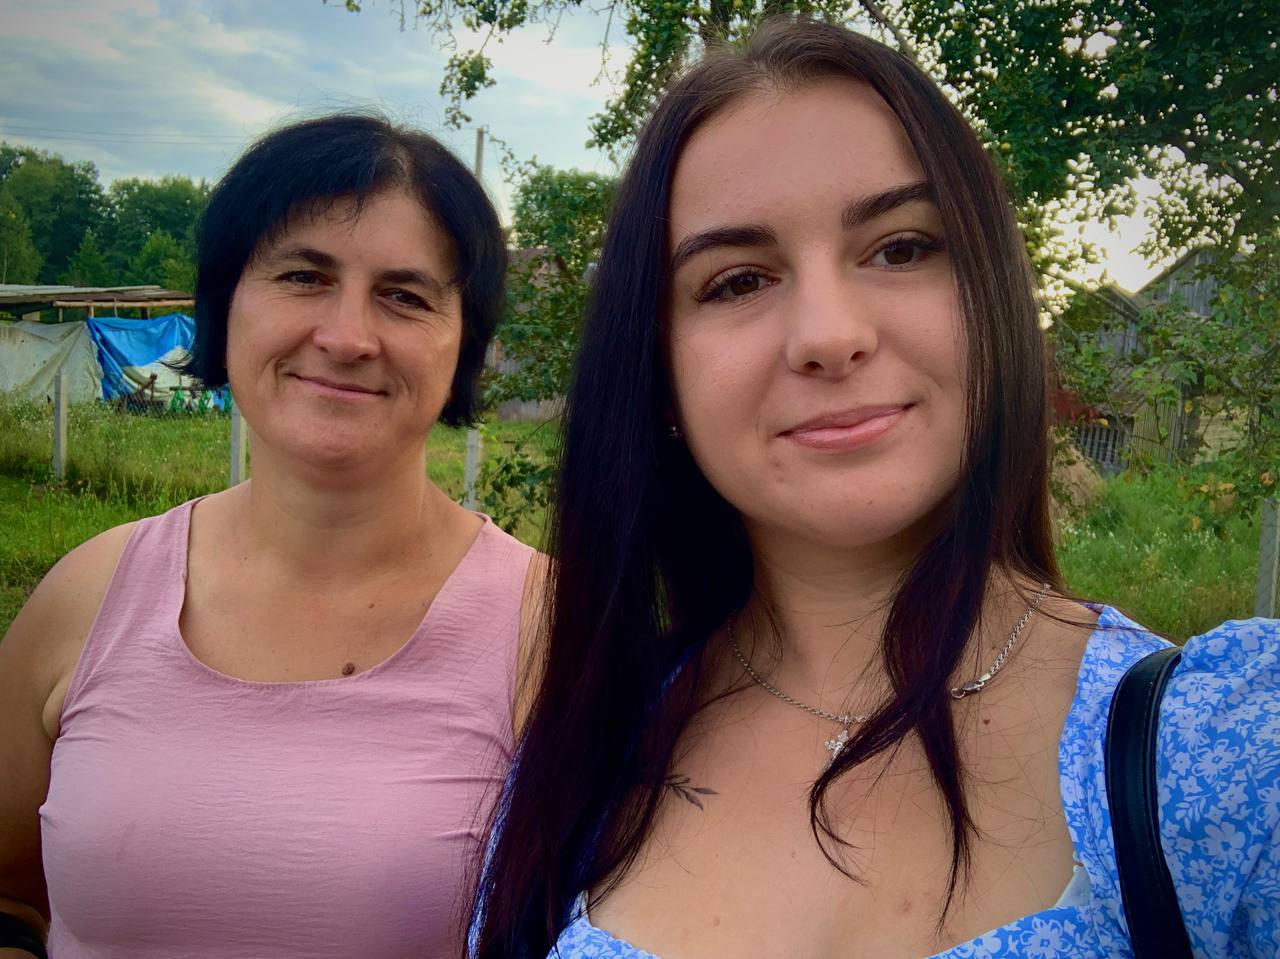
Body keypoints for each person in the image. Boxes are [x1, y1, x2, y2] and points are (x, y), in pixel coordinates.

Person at [469, 17, 1280, 959]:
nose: (829, 333)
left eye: (900, 248)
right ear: (660, 372)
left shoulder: (1223, 752)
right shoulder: (586, 756)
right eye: (737, 281)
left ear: (992, 296)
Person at [0, 114, 541, 959]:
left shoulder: (553, 629)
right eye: (303, 276)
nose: (347, 336)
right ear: (224, 306)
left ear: (465, 341)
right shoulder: (87, 595)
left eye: (405, 295)